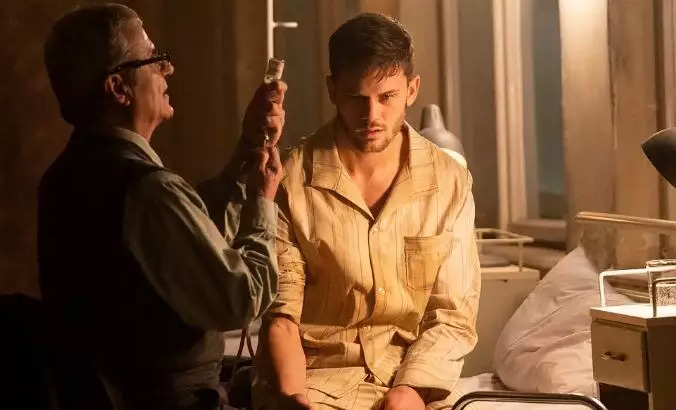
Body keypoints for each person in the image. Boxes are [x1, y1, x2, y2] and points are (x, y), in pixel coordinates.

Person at [38, 3, 286, 409]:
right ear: (118, 88)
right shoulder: (147, 190)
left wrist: (246, 153)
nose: (167, 69)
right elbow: (241, 299)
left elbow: (188, 244)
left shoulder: (66, 174)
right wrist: (262, 202)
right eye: (153, 59)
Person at [254, 13, 481, 410]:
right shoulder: (290, 179)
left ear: (412, 89)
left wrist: (410, 391)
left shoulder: (450, 181)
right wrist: (295, 399)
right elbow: (281, 315)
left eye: (387, 97)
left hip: (413, 383)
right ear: (332, 90)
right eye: (357, 98)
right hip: (315, 380)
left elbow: (451, 316)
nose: (372, 116)